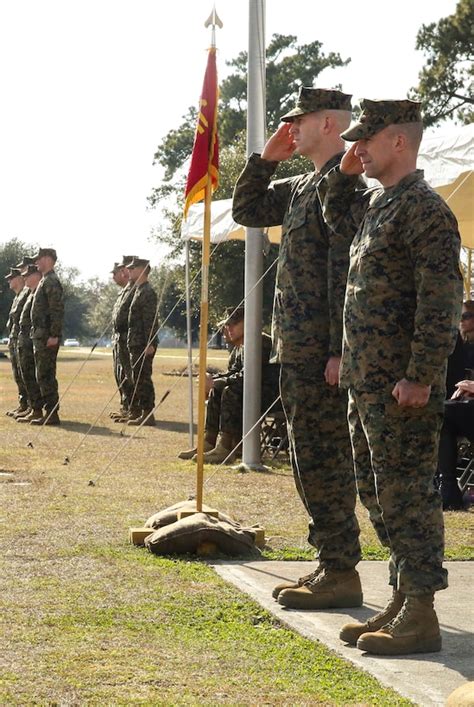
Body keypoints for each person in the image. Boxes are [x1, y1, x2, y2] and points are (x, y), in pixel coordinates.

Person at [318, 99, 463, 654]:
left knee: (406, 494)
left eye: (367, 140)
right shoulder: (380, 205)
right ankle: (403, 596)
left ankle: (421, 608)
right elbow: (335, 222)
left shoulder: (424, 210)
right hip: (367, 381)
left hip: (402, 385)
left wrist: (422, 374)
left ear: (398, 141)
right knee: (378, 494)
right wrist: (345, 175)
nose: (357, 148)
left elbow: (441, 299)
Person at [232, 87, 362, 610]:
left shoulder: (346, 185)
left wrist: (337, 348)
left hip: (323, 354)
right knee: (309, 459)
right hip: (298, 349)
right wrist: (263, 162)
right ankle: (332, 564)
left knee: (327, 460)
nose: (291, 128)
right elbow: (248, 209)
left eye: (299, 120)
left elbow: (343, 272)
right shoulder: (304, 184)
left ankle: (340, 569)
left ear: (329, 124)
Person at [178, 306, 279, 463]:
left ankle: (225, 447)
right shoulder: (240, 346)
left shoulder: (260, 342)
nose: (228, 328)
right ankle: (208, 442)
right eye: (227, 324)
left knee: (228, 390)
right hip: (252, 394)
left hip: (270, 396)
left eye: (233, 324)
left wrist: (217, 382)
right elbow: (233, 372)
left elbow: (248, 376)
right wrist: (212, 379)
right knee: (218, 389)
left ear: (248, 323)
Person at [437, 302, 474, 510]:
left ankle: (448, 487)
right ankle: (448, 488)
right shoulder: (462, 347)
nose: (462, 321)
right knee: (444, 412)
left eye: (467, 316)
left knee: (446, 412)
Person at [29, 247, 64, 426]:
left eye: (39, 258)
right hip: (41, 335)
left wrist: (54, 335)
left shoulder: (51, 281)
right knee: (42, 374)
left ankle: (52, 413)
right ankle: (47, 412)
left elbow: (56, 310)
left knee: (46, 374)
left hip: (47, 336)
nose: (36, 262)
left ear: (48, 259)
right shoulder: (46, 280)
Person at [125, 257, 158, 427]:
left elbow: (150, 320)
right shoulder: (139, 290)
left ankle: (147, 413)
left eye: (133, 268)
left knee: (143, 377)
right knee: (137, 377)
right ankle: (142, 410)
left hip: (143, 343)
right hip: (136, 341)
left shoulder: (147, 292)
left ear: (143, 269)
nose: (129, 271)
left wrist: (150, 343)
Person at [16, 265, 44, 423]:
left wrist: (53, 334)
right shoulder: (31, 293)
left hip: (33, 338)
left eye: (27, 274)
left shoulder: (39, 291)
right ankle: (31, 407)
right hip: (26, 338)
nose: (24, 277)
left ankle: (38, 409)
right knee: (25, 374)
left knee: (36, 375)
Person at [110, 257, 137, 421]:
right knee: (121, 374)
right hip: (120, 338)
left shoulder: (136, 290)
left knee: (130, 375)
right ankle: (127, 406)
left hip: (129, 338)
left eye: (121, 270)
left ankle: (135, 408)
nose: (117, 274)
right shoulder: (126, 290)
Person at [4, 267, 29, 417]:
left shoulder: (26, 294)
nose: (9, 281)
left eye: (11, 278)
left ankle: (30, 406)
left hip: (23, 340)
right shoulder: (18, 296)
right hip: (16, 340)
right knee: (18, 374)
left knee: (25, 374)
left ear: (19, 278)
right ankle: (23, 404)